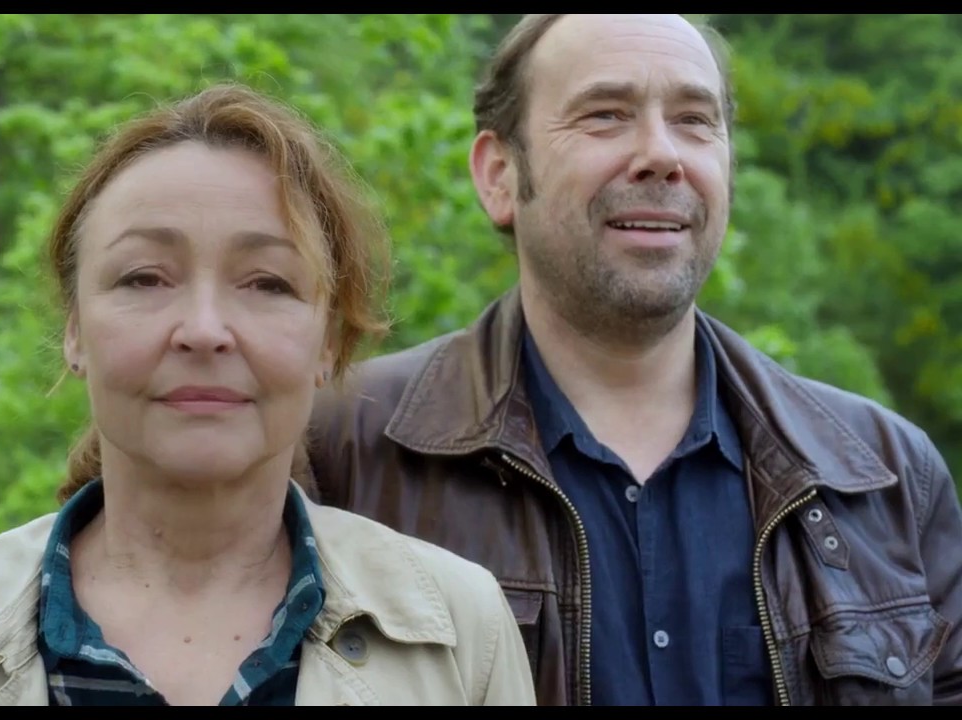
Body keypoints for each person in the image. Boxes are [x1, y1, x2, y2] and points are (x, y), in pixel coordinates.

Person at [303, 13, 962, 707]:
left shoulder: (888, 477)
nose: (661, 154)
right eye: (606, 115)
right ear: (499, 175)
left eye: (694, 120)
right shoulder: (339, 448)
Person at [0, 82, 537, 707]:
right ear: (74, 330)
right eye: (144, 278)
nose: (204, 331)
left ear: (328, 342)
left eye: (267, 283)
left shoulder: (460, 632)